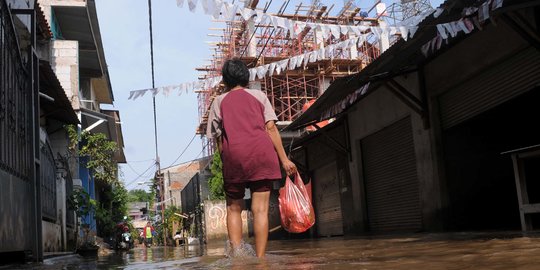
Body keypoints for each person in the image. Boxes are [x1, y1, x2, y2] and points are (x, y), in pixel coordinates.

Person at [207, 59, 297, 258]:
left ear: (225, 80)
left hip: (234, 157)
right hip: (262, 155)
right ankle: (261, 260)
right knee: (261, 210)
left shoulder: (219, 102)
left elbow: (219, 139)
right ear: (246, 77)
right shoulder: (259, 96)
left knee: (233, 208)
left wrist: (226, 159)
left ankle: (238, 260)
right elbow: (271, 128)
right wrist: (284, 160)